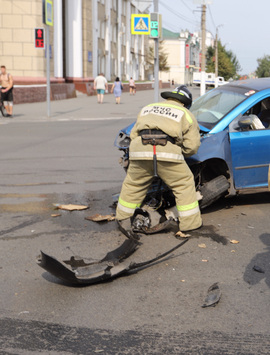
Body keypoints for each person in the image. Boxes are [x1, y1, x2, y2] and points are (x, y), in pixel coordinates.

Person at [116, 85, 202, 238]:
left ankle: (123, 218)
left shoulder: (148, 108)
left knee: (133, 184)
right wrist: (180, 152)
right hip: (165, 149)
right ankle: (190, 224)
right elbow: (192, 146)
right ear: (186, 102)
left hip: (139, 148)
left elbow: (134, 133)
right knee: (183, 183)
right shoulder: (186, 114)